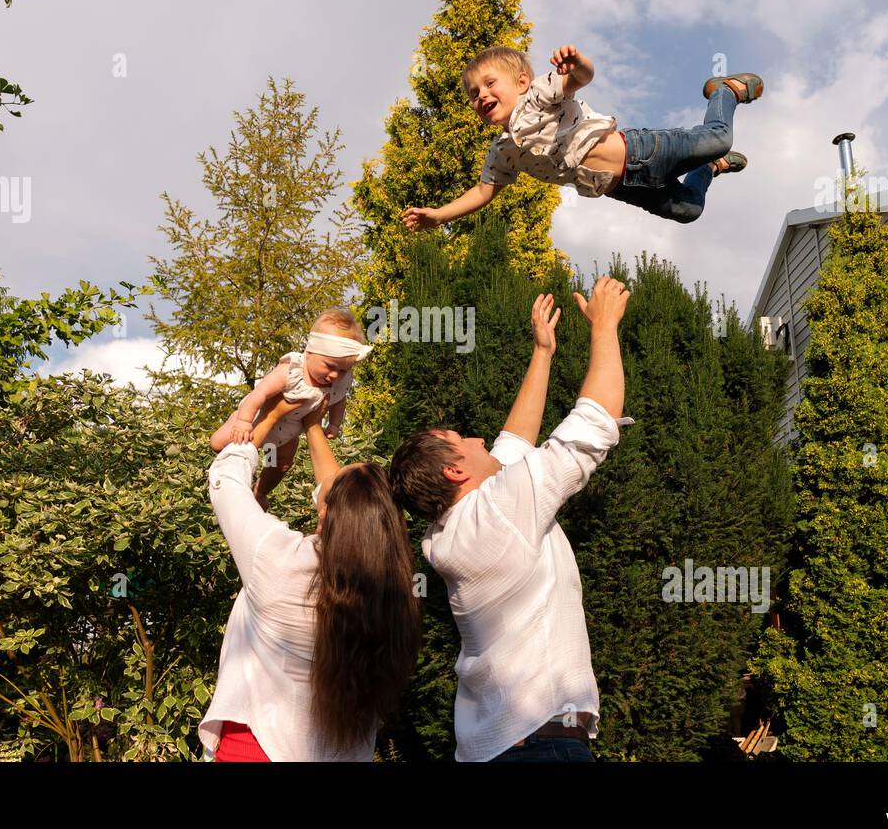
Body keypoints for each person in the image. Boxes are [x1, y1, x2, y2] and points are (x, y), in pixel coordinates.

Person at [388, 277, 632, 761]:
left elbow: (511, 446)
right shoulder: (499, 511)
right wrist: (605, 327)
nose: (480, 439)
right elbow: (595, 423)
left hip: (498, 746)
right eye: (465, 440)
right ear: (456, 471)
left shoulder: (451, 531)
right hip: (540, 747)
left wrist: (543, 353)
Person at [201, 395, 421, 761]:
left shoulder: (277, 557)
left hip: (256, 749)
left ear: (326, 510)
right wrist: (312, 425)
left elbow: (225, 478)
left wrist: (271, 415)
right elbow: (348, 508)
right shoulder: (396, 592)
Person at [403, 44, 760, 230]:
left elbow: (582, 78)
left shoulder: (540, 95)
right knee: (690, 210)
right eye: (474, 93)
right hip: (623, 188)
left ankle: (724, 91)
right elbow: (483, 192)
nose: (481, 95)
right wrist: (439, 215)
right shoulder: (503, 151)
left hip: (641, 152)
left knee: (717, 138)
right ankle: (710, 169)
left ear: (522, 83)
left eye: (490, 84)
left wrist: (578, 62)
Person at [209, 307, 371, 510]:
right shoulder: (291, 371)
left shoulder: (339, 381)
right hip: (257, 421)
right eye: (329, 366)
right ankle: (235, 419)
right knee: (218, 444)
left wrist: (335, 423)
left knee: (280, 465)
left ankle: (260, 492)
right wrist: (243, 421)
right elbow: (259, 394)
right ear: (310, 352)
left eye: (343, 370)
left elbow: (339, 399)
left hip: (286, 436)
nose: (335, 375)